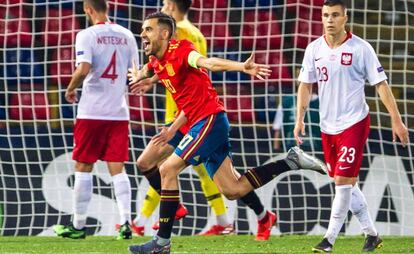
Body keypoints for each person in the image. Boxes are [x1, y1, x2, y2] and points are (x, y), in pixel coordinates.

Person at [127, 12, 327, 254]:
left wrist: (242, 66)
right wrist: (142, 77)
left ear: (165, 34)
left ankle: (161, 243)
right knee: (231, 189)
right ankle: (290, 161)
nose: (142, 34)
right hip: (193, 121)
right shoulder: (157, 60)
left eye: (148, 29)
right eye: (143, 29)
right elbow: (153, 71)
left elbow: (208, 62)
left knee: (167, 168)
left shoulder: (182, 50)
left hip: (208, 120)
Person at [293, 0, 410, 252]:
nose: (329, 20)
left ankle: (329, 239)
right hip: (328, 126)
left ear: (345, 18)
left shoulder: (361, 48)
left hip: (354, 123)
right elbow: (305, 84)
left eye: (335, 15)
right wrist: (299, 117)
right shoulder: (314, 49)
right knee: (346, 182)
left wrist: (396, 119)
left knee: (343, 182)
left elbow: (380, 84)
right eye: (325, 15)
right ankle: (372, 234)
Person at [125, 0, 234, 237]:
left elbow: (198, 66)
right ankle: (223, 220)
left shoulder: (181, 37)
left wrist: (176, 122)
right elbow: (162, 66)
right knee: (160, 165)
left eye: (164, 3)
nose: (162, 7)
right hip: (186, 112)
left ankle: (146, 223)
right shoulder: (197, 33)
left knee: (170, 167)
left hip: (187, 113)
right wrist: (146, 78)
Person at [52, 0, 139, 240]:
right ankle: (125, 224)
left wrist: (70, 89)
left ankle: (78, 226)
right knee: (117, 168)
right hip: (119, 112)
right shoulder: (127, 34)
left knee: (83, 166)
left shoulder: (86, 35)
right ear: (107, 9)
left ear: (88, 10)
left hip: (91, 112)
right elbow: (136, 73)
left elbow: (83, 68)